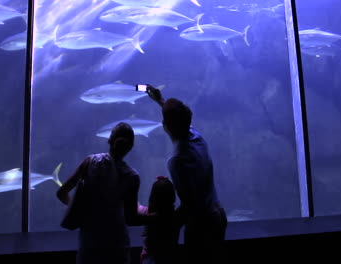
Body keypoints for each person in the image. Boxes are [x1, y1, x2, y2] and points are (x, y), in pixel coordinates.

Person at [146, 85, 228, 264]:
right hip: (218, 214)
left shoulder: (177, 160)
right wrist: (161, 101)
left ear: (165, 127)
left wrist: (167, 228)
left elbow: (189, 204)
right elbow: (180, 120)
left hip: (202, 224)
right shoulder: (197, 137)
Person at [57, 122, 147, 264]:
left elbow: (61, 192)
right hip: (116, 244)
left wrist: (78, 209)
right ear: (130, 147)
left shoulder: (90, 162)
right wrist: (158, 217)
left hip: (89, 243)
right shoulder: (132, 176)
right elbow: (131, 219)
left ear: (109, 140)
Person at [139, 176, 180, 264]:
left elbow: (136, 208)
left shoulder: (148, 214)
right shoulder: (176, 217)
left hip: (150, 259)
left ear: (153, 196)